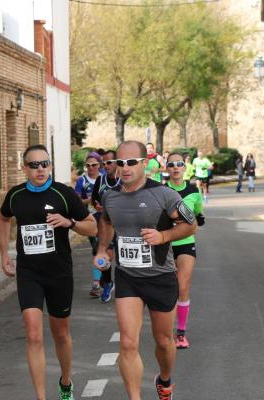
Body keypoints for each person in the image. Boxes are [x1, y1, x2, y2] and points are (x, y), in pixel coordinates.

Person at [93, 140, 197, 400]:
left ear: (144, 164)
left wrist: (163, 236)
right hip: (128, 276)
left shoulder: (164, 194)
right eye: (120, 163)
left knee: (164, 342)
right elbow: (105, 221)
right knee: (128, 342)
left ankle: (164, 379)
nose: (125, 168)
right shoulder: (111, 195)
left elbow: (190, 225)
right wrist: (103, 248)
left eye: (131, 163)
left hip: (160, 276)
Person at [0, 144, 97, 400]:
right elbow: (2, 217)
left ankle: (65, 382)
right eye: (34, 165)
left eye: (45, 164)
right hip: (29, 272)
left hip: (58, 273)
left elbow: (93, 227)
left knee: (61, 333)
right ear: (24, 168)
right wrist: (4, 254)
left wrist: (69, 222)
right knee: (33, 333)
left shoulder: (63, 194)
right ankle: (41, 397)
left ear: (50, 166)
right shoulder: (16, 195)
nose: (40, 169)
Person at [165, 153, 204, 349]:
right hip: (166, 243)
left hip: (186, 242)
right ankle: (166, 331)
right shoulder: (161, 190)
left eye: (179, 164)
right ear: (166, 168)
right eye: (171, 164)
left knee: (182, 287)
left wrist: (196, 218)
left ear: (184, 167)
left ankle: (180, 333)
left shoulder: (193, 191)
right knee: (169, 288)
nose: (175, 167)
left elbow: (197, 213)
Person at [91, 150, 121, 303]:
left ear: (117, 162)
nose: (105, 166)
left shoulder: (123, 180)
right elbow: (94, 199)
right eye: (103, 163)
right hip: (104, 224)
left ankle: (125, 286)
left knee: (122, 258)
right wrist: (97, 206)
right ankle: (108, 283)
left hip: (122, 225)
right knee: (105, 255)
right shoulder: (100, 179)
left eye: (109, 162)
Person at [74, 152, 104, 297]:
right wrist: (90, 200)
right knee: (97, 249)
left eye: (94, 165)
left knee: (103, 250)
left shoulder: (105, 178)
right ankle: (101, 280)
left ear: (100, 165)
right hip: (90, 220)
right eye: (88, 165)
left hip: (106, 219)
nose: (91, 168)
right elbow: (77, 201)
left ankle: (97, 283)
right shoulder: (82, 181)